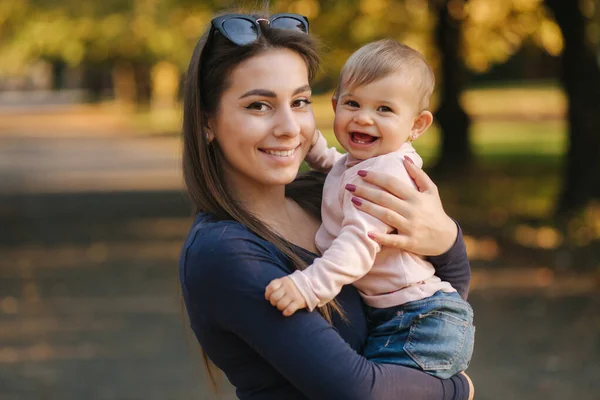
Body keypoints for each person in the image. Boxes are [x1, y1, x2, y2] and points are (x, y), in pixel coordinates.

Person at [179, 11, 474, 400]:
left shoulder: (324, 195)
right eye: (258, 106)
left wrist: (446, 240)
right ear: (207, 122)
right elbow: (356, 391)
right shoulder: (225, 252)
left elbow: (443, 297)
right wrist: (457, 390)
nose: (290, 127)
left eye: (299, 101)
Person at [265, 39, 475, 380]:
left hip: (420, 319)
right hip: (405, 313)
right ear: (335, 105)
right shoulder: (366, 163)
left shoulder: (387, 174)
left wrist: (308, 286)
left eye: (384, 110)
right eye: (352, 103)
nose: (363, 118)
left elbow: (358, 245)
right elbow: (339, 170)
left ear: (417, 125)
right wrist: (312, 144)